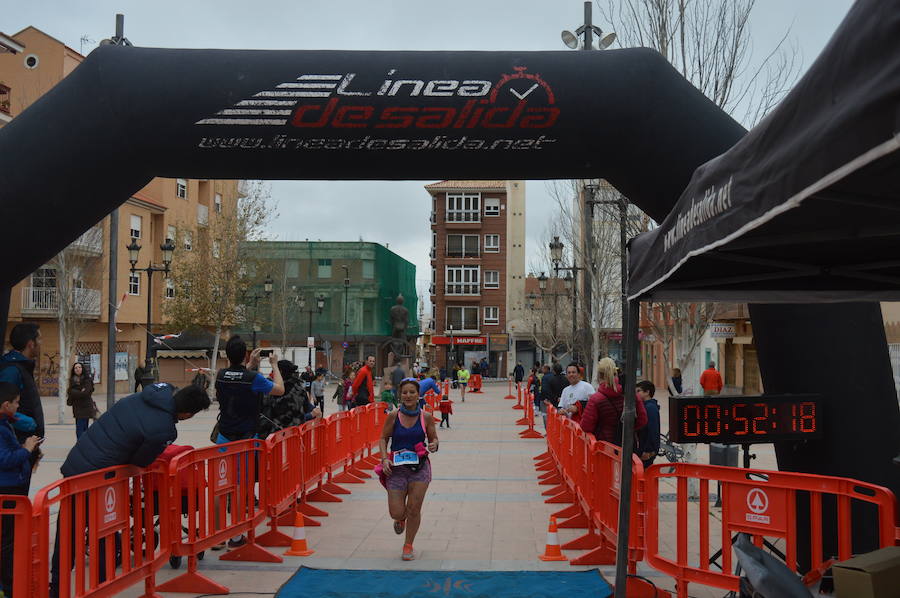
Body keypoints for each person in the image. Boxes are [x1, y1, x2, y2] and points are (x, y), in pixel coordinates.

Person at [50, 382, 210, 597]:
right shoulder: (163, 428)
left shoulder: (155, 391)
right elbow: (140, 461)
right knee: (104, 534)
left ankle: (56, 588)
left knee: (68, 533)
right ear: (188, 414)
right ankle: (100, 589)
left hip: (77, 464)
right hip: (98, 478)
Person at [377, 378, 438, 561]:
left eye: (412, 392)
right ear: (400, 395)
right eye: (405, 392)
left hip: (419, 467)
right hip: (396, 468)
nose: (408, 395)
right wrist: (384, 459)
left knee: (414, 508)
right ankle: (400, 518)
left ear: (418, 395)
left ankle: (408, 544)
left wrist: (434, 444)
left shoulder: (425, 417)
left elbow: (434, 438)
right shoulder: (393, 416)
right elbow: (382, 438)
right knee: (396, 511)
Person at [0, 382, 42, 596]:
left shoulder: (6, 422)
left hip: (12, 485)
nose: (18, 406)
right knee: (7, 540)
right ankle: (8, 586)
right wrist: (26, 449)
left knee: (9, 538)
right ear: (6, 404)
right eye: (16, 403)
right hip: (7, 489)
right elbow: (4, 459)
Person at [215, 336, 285, 445]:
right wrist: (274, 365)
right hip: (247, 439)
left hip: (224, 437)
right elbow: (280, 390)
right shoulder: (254, 378)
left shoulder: (220, 375)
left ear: (227, 355)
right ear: (246, 355)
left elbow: (237, 376)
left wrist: (251, 364)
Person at [0, 323, 45, 490]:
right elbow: (4, 403)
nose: (41, 343)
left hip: (25, 445)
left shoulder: (23, 367)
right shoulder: (12, 370)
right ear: (30, 343)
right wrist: (29, 424)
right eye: (39, 338)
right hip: (16, 445)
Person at [580, 357, 648, 446]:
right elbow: (642, 419)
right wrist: (627, 430)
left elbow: (586, 426)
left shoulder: (595, 399)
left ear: (599, 376)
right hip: (627, 445)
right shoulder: (630, 395)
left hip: (604, 448)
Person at [258, 360, 321, 437]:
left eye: (274, 371)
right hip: (296, 436)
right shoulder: (299, 389)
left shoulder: (272, 391)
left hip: (274, 438)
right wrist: (313, 413)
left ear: (279, 372)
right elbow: (306, 410)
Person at [66, 362, 96, 438]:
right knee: (82, 429)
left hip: (86, 407)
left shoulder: (87, 380)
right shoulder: (72, 380)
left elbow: (85, 393)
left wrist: (74, 391)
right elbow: (70, 391)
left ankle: (81, 446)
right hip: (77, 408)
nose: (77, 369)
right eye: (76, 368)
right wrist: (79, 391)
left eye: (79, 367)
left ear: (82, 369)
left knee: (81, 429)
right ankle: (84, 446)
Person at [636, 380, 660, 468]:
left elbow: (652, 430)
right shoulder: (645, 406)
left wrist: (648, 450)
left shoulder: (650, 408)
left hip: (646, 450)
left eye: (639, 391)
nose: (636, 394)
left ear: (647, 392)